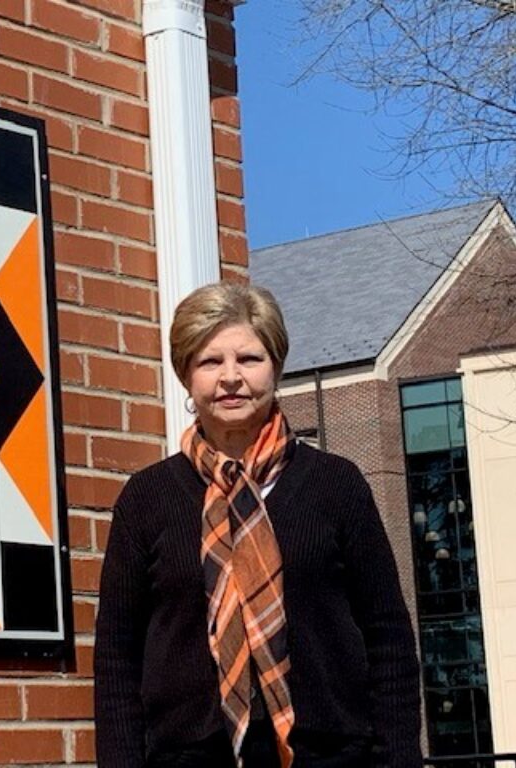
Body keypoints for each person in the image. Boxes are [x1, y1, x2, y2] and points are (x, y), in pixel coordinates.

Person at [94, 282, 421, 768]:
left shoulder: (336, 485)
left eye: (249, 359)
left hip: (329, 755)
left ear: (277, 367)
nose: (231, 378)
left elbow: (388, 636)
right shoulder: (147, 499)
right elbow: (118, 659)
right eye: (210, 362)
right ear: (186, 376)